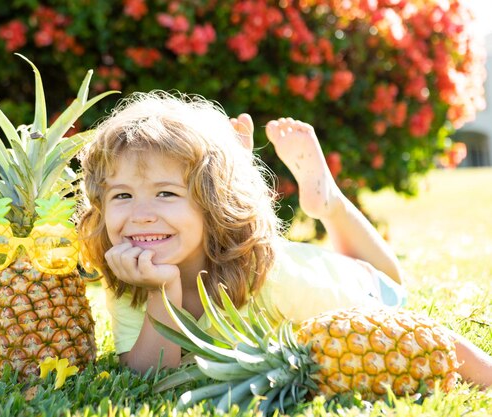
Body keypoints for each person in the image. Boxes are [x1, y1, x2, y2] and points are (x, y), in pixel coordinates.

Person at [77, 91, 492, 387]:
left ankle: (328, 201)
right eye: (122, 195)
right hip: (243, 246)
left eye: (166, 192)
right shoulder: (132, 268)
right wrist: (161, 291)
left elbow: (410, 330)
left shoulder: (279, 281)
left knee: (392, 283)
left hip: (351, 285)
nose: (140, 214)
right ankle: (235, 163)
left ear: (212, 204)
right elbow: (147, 378)